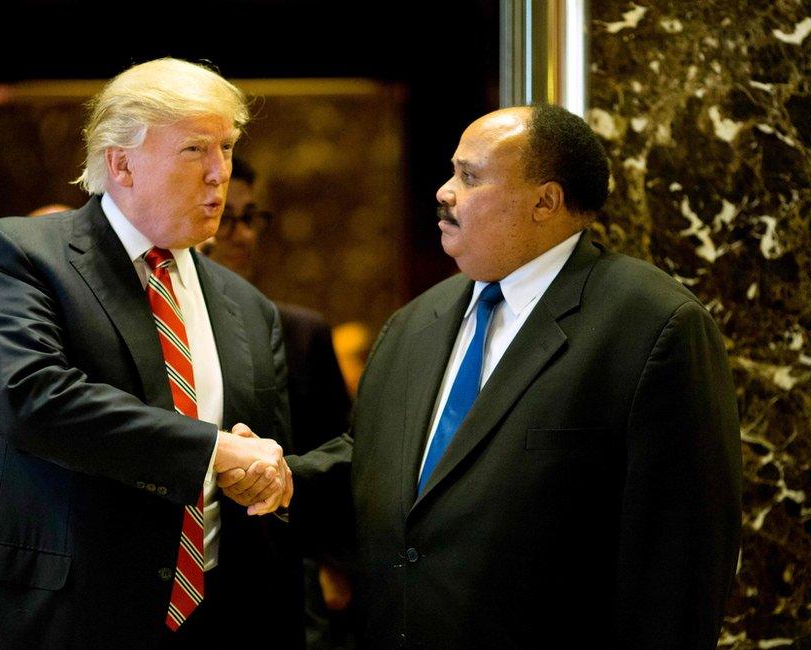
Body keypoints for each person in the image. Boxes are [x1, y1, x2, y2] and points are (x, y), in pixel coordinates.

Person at [280, 104, 743, 648]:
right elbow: (373, 467)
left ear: (545, 201)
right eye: (452, 172)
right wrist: (278, 477)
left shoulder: (652, 326)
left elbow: (680, 564)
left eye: (469, 177)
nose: (445, 191)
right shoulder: (413, 323)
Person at [0, 57, 302, 649]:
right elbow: (31, 400)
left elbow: (257, 457)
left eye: (226, 148)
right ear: (121, 162)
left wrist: (262, 478)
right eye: (195, 150)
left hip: (213, 621)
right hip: (55, 619)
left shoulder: (248, 306)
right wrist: (215, 449)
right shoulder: (16, 254)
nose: (220, 174)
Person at [201, 158, 354, 649]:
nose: (241, 235)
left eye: (250, 218)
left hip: (277, 561)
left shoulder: (299, 332)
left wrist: (332, 562)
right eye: (225, 218)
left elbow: (337, 449)